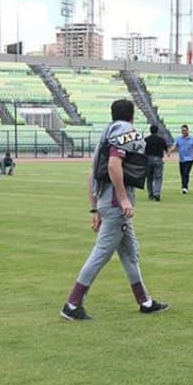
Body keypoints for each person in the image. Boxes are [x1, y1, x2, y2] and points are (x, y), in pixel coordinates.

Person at [60, 98, 168, 321]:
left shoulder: (106, 133)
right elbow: (113, 165)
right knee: (101, 253)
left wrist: (94, 209)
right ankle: (72, 303)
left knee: (130, 253)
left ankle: (144, 301)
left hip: (106, 202)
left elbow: (93, 172)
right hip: (115, 205)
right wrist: (123, 199)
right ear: (132, 115)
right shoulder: (126, 131)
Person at [172, 123, 193, 194]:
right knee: (182, 173)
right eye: (182, 130)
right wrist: (170, 151)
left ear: (188, 131)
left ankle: (185, 187)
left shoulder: (192, 139)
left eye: (185, 130)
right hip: (181, 159)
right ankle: (183, 186)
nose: (184, 132)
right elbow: (175, 146)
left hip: (189, 159)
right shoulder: (178, 139)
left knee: (186, 173)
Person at [144, 124, 170, 201]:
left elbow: (142, 150)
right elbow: (166, 149)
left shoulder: (146, 139)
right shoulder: (161, 139)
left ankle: (151, 194)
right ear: (157, 131)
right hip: (158, 158)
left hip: (148, 159)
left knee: (149, 178)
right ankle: (157, 193)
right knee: (158, 177)